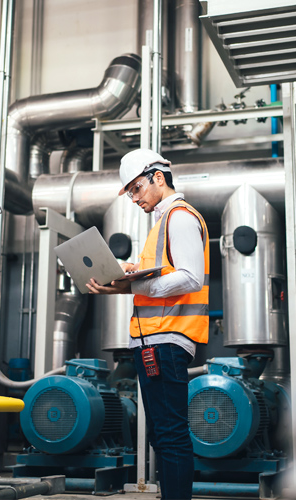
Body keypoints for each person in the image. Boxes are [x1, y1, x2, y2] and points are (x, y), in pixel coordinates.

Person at [86, 148, 209, 500]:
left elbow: (190, 278)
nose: (134, 199)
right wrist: (121, 280)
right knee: (160, 434)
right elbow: (158, 280)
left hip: (167, 341)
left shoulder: (180, 217)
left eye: (136, 189)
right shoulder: (163, 222)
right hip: (153, 341)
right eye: (129, 194)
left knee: (170, 435)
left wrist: (132, 284)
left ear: (158, 177)